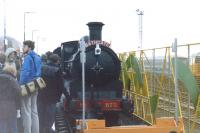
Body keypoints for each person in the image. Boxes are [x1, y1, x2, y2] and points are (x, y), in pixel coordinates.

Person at [19, 40, 41, 133]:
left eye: (24, 47)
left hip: (27, 86)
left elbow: (25, 73)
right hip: (35, 85)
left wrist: (20, 84)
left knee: (26, 111)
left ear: (29, 47)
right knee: (34, 111)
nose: (23, 48)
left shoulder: (28, 58)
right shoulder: (38, 57)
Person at [38, 54, 63, 133]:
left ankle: (41, 130)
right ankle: (48, 130)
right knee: (49, 117)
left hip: (41, 96)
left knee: (40, 115)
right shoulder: (57, 70)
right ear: (57, 61)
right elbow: (61, 86)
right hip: (52, 98)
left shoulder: (42, 68)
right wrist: (59, 97)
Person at [0, 65, 21, 133]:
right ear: (13, 72)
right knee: (13, 126)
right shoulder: (13, 80)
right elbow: (18, 93)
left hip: (1, 105)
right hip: (11, 106)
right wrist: (18, 107)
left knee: (2, 125)